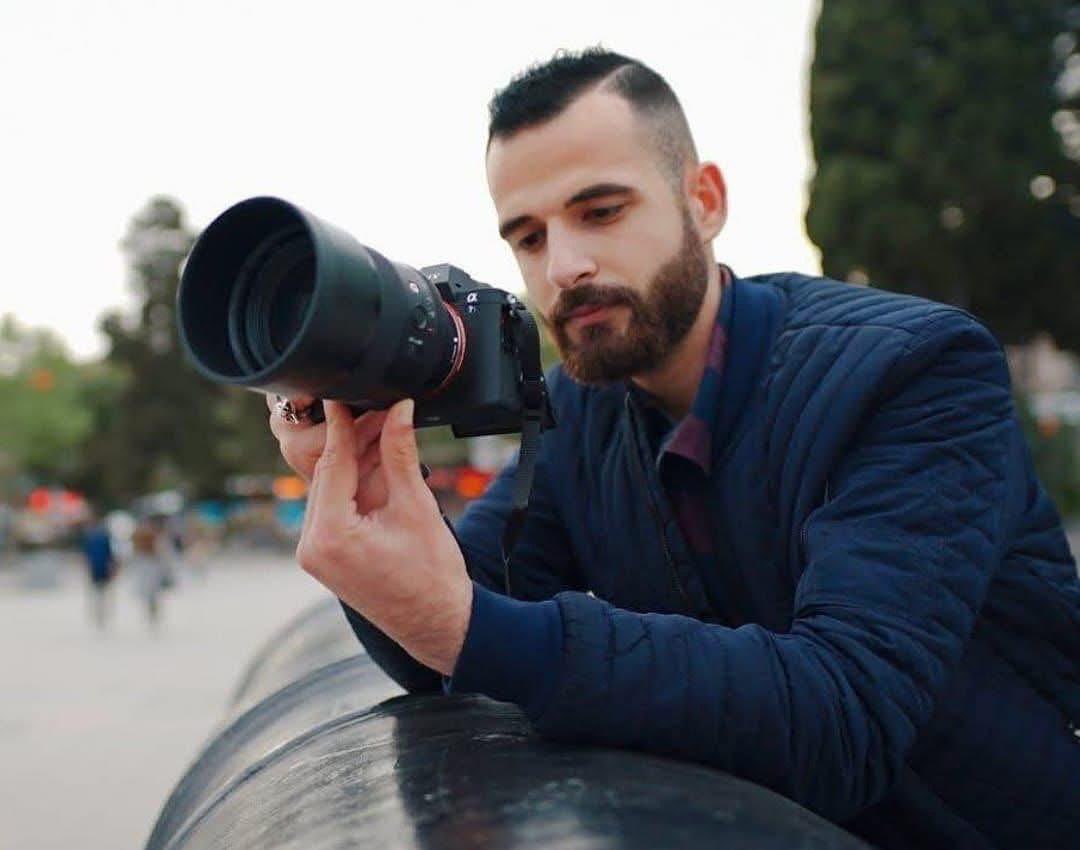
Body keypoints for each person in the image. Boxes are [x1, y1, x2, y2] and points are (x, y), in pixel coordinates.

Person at [266, 49, 1079, 849]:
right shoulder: (581, 410)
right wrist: (368, 489)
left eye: (601, 211)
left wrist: (471, 628)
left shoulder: (913, 372)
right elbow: (448, 631)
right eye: (529, 238)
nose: (564, 267)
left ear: (705, 200)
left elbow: (845, 718)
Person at [79, 513, 117, 629]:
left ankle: (99, 611)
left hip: (97, 568)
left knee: (98, 591)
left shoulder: (91, 537)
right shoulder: (101, 537)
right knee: (101, 591)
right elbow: (110, 554)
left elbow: (86, 554)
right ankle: (100, 611)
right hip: (100, 567)